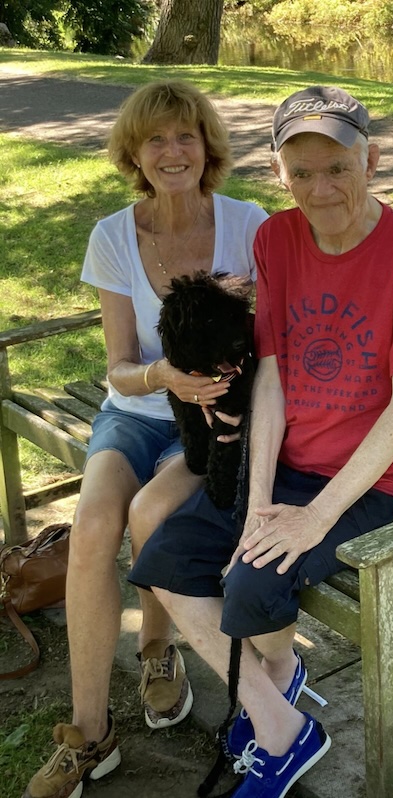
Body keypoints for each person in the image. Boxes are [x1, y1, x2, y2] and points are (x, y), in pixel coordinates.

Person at [129, 85, 393, 798]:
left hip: (374, 483)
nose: (320, 188)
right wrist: (257, 500)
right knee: (163, 557)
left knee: (250, 582)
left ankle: (275, 713)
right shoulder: (275, 238)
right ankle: (280, 719)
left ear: (371, 160)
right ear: (279, 173)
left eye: (337, 167)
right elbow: (273, 379)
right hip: (286, 466)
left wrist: (314, 517)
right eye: (301, 171)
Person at [22, 79, 268, 798]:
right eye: (155, 138)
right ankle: (88, 734)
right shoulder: (112, 235)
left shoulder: (249, 226)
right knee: (95, 523)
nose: (172, 151)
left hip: (211, 426)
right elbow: (120, 367)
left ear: (208, 146)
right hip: (135, 412)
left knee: (150, 513)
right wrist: (164, 372)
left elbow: (274, 344)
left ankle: (158, 652)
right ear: (133, 152)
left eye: (186, 135)